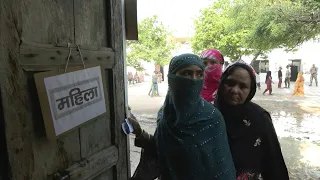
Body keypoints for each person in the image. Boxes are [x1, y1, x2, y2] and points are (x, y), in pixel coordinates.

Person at [130, 54, 236, 180]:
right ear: (172, 78)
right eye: (187, 73)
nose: (194, 79)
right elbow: (161, 150)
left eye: (199, 74)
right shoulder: (165, 115)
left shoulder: (212, 119)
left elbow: (222, 170)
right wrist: (139, 133)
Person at [215, 60, 289, 179]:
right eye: (230, 83)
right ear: (222, 82)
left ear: (251, 91)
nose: (235, 90)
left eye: (243, 86)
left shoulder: (259, 118)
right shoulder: (209, 115)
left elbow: (274, 162)